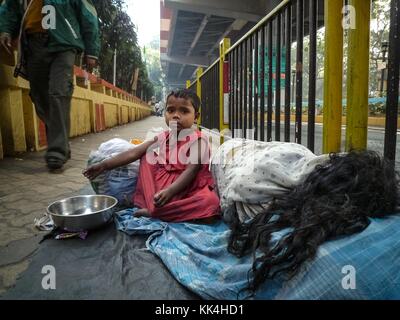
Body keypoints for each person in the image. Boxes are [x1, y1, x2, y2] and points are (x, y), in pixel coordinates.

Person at [211, 138, 399, 294]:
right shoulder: (268, 182)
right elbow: (236, 191)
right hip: (238, 153)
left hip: (253, 154)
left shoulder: (298, 189)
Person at [83, 89, 221, 223]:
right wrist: (104, 165)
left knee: (210, 203)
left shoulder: (198, 140)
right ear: (165, 112)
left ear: (196, 116)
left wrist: (170, 191)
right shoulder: (163, 137)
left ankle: (154, 211)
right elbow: (134, 152)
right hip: (159, 190)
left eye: (184, 111)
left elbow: (191, 171)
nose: (176, 116)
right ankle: (157, 208)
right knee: (146, 155)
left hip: (187, 189)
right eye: (171, 110)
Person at [0, 0, 100, 170]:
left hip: (64, 45)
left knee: (59, 92)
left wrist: (92, 51)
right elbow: (10, 7)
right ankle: (59, 137)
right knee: (39, 95)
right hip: (33, 44)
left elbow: (89, 16)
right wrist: (5, 29)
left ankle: (57, 151)